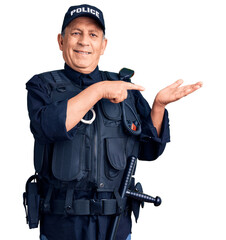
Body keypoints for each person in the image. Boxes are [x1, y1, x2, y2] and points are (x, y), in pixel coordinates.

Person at [24, 4, 202, 240]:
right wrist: (99, 90)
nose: (84, 41)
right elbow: (47, 128)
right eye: (76, 33)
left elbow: (148, 150)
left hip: (115, 226)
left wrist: (159, 106)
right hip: (62, 226)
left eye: (93, 35)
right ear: (61, 41)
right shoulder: (42, 86)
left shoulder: (124, 87)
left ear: (103, 45)